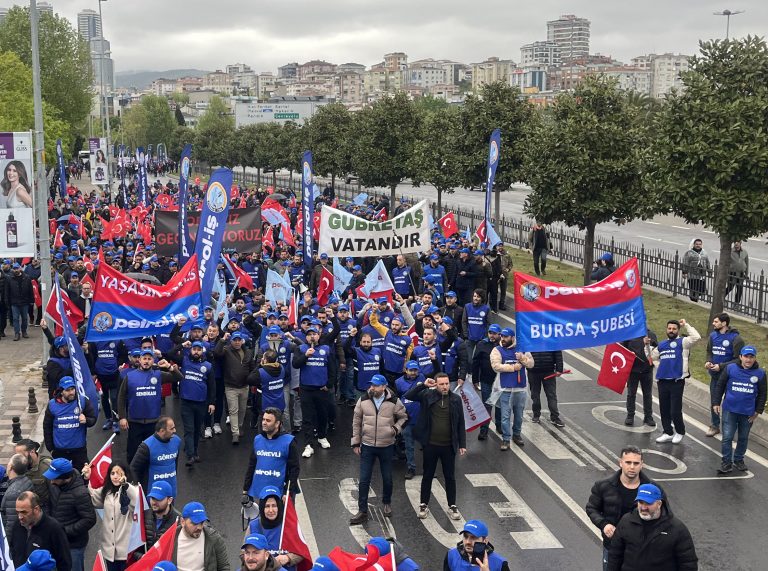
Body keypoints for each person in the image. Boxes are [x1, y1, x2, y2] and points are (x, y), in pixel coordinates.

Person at [586, 446, 667, 571]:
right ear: (620, 463)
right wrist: (604, 524)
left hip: (642, 548)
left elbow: (665, 515)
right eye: (628, 462)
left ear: (642, 465)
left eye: (636, 463)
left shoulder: (653, 488)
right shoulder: (603, 486)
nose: (632, 467)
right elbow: (592, 508)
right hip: (613, 546)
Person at [404, 372, 466, 521]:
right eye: (441, 384)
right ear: (436, 385)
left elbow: (460, 423)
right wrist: (423, 385)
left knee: (450, 477)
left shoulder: (456, 400)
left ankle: (452, 505)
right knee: (428, 475)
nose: (445, 387)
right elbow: (409, 395)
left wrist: (462, 444)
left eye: (446, 384)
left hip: (448, 446)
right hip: (431, 445)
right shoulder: (427, 396)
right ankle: (424, 504)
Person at [349, 374, 407, 524]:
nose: (372, 388)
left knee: (387, 478)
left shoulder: (394, 401)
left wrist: (394, 429)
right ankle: (362, 511)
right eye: (372, 385)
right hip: (367, 446)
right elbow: (356, 421)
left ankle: (386, 502)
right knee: (364, 480)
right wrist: (356, 443)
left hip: (386, 446)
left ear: (384, 386)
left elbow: (404, 417)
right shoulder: (363, 400)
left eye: (376, 385)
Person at [606, 484, 698, 571]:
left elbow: (688, 564)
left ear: (659, 504)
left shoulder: (677, 529)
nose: (643, 507)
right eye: (641, 502)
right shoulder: (626, 522)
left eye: (648, 503)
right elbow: (615, 555)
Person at [117, 350, 182, 462]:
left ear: (153, 361)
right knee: (133, 452)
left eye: (149, 359)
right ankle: (133, 477)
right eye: (144, 358)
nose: (146, 361)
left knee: (152, 451)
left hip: (153, 421)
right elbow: (121, 397)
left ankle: (149, 475)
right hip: (135, 421)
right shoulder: (129, 376)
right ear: (140, 360)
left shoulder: (158, 375)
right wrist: (122, 417)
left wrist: (169, 367)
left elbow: (179, 377)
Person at [712, 345, 767, 474]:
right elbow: (720, 385)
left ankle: (738, 459)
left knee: (743, 438)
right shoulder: (730, 368)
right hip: (729, 410)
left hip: (748, 413)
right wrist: (716, 402)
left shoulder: (760, 373)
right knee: (727, 437)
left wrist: (757, 411)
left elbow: (763, 394)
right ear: (741, 357)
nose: (748, 359)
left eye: (751, 357)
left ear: (754, 358)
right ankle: (726, 462)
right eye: (746, 356)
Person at [81, 461, 139, 571]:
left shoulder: (133, 490)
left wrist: (125, 485)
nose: (116, 477)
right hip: (109, 550)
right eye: (112, 473)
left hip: (126, 550)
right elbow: (92, 497)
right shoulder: (106, 491)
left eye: (119, 473)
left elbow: (136, 502)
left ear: (126, 475)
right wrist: (87, 478)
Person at [652, 319, 701, 444]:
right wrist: (646, 345)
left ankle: (680, 431)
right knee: (664, 409)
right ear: (666, 329)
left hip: (676, 381)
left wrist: (686, 325)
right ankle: (667, 432)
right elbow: (651, 357)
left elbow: (696, 337)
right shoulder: (662, 344)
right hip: (662, 381)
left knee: (675, 410)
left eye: (674, 329)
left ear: (678, 330)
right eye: (669, 328)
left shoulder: (683, 342)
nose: (671, 331)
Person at [43, 459, 97, 571]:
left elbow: (89, 519)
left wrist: (64, 531)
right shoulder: (54, 483)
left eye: (54, 478)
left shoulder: (80, 494)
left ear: (66, 478)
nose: (51, 481)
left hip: (73, 546)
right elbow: (48, 503)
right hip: (55, 541)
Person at [168, 341, 216, 464]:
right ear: (191, 350)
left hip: (201, 403)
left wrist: (211, 403)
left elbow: (212, 386)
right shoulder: (184, 360)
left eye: (199, 349)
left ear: (202, 351)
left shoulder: (208, 366)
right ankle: (190, 456)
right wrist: (182, 345)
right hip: (186, 402)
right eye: (194, 349)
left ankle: (194, 452)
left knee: (197, 429)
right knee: (189, 429)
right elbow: (170, 354)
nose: (196, 351)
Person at [242, 407, 300, 502]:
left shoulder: (288, 441)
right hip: (262, 491)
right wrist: (245, 488)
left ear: (277, 423)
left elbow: (294, 469)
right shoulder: (258, 439)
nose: (264, 423)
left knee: (283, 517)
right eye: (263, 419)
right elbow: (252, 465)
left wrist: (287, 492)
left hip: (281, 493)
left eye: (268, 420)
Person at [292, 326, 332, 458]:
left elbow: (332, 368)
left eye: (314, 334)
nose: (312, 336)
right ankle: (309, 444)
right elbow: (295, 364)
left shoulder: (326, 349)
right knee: (307, 418)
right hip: (306, 389)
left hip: (321, 389)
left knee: (323, 415)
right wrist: (305, 356)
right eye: (309, 335)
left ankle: (322, 436)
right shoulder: (301, 349)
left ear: (319, 335)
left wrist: (329, 384)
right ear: (306, 337)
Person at [490, 328, 534, 449]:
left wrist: (522, 358)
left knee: (519, 415)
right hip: (505, 389)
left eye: (506, 337)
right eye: (502, 336)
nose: (503, 339)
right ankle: (505, 439)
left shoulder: (522, 349)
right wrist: (513, 367)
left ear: (513, 338)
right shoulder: (497, 350)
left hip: (520, 388)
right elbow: (496, 366)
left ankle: (517, 434)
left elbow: (531, 364)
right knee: (505, 416)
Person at [43, 376, 97, 471]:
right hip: (60, 451)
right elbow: (47, 427)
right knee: (61, 479)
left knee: (84, 476)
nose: (71, 392)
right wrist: (50, 448)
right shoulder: (52, 404)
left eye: (72, 389)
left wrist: (86, 420)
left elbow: (93, 419)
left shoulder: (82, 401)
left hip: (79, 450)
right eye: (67, 390)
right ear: (61, 391)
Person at [704, 313, 744, 437]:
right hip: (715, 376)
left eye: (716, 322)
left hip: (730, 377)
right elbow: (709, 352)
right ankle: (715, 426)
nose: (713, 323)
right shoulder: (712, 336)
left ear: (724, 323)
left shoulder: (736, 339)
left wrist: (721, 366)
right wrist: (708, 361)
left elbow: (738, 359)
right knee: (714, 401)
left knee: (729, 402)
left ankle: (729, 428)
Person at [9, 491, 71, 571]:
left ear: (36, 509)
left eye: (24, 512)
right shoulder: (17, 525)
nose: (20, 517)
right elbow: (13, 551)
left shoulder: (54, 528)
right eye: (17, 512)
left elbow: (65, 562)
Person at [247, 487, 306, 570]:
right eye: (267, 506)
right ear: (262, 508)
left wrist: (288, 558)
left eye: (274, 506)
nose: (271, 510)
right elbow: (243, 554)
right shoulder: (253, 526)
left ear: (279, 506)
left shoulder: (290, 525)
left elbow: (302, 551)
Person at [215, 331, 256, 445]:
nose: (237, 342)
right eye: (235, 340)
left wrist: (252, 379)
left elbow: (252, 367)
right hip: (230, 386)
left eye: (239, 340)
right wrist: (222, 339)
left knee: (242, 409)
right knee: (233, 410)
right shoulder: (226, 350)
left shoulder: (248, 352)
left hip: (244, 386)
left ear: (242, 340)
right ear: (231, 341)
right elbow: (217, 353)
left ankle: (239, 426)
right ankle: (235, 433)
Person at [130, 416, 182, 498]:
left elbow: (175, 463)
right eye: (171, 429)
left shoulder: (177, 441)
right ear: (162, 431)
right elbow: (133, 468)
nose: (174, 431)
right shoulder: (146, 446)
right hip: (153, 493)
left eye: (174, 428)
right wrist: (137, 490)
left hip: (170, 490)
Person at [170, 502, 230, 571]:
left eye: (201, 522)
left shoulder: (214, 538)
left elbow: (224, 568)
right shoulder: (171, 538)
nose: (199, 527)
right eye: (194, 523)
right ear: (183, 522)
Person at [622, 331, 658, 427]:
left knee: (647, 395)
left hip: (647, 370)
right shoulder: (629, 334)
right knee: (631, 394)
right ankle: (630, 416)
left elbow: (656, 352)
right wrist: (629, 353)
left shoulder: (652, 335)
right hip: (633, 370)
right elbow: (622, 349)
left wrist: (649, 345)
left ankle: (648, 417)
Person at [444, 519, 509, 571]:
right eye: (465, 536)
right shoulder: (451, 556)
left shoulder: (500, 564)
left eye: (474, 537)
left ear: (485, 541)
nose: (468, 542)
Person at [528, 350, 564, 427]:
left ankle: (554, 416)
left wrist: (559, 369)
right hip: (534, 371)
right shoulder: (550, 337)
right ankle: (537, 414)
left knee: (550, 395)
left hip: (548, 371)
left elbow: (557, 351)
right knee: (536, 395)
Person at [13, 440, 52, 507]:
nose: (19, 459)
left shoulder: (46, 467)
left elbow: (55, 492)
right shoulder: (19, 466)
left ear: (32, 452)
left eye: (21, 456)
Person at [1, 454, 32, 534]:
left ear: (10, 467)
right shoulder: (27, 480)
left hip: (18, 535)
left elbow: (12, 523)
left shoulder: (12, 493)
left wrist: (6, 542)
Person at [145, 481, 181, 550]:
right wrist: (141, 557)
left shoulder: (178, 521)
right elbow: (135, 547)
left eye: (158, 499)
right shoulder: (144, 515)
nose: (154, 502)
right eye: (152, 498)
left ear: (169, 500)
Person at [5, 262, 34, 340]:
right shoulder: (10, 279)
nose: (16, 270)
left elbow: (31, 290)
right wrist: (7, 301)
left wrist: (32, 300)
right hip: (14, 302)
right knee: (15, 318)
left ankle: (24, 331)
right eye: (14, 269)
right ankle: (17, 333)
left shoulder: (27, 278)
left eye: (17, 268)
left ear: (20, 268)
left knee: (25, 318)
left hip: (25, 302)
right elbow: (7, 291)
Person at [681, 238, 710, 302]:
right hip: (692, 275)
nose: (698, 245)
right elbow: (685, 262)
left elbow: (707, 262)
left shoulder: (704, 253)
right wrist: (684, 272)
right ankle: (694, 300)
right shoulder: (689, 253)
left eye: (699, 244)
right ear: (694, 245)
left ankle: (695, 298)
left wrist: (709, 271)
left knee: (702, 290)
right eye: (696, 244)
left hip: (702, 275)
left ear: (701, 245)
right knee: (694, 289)